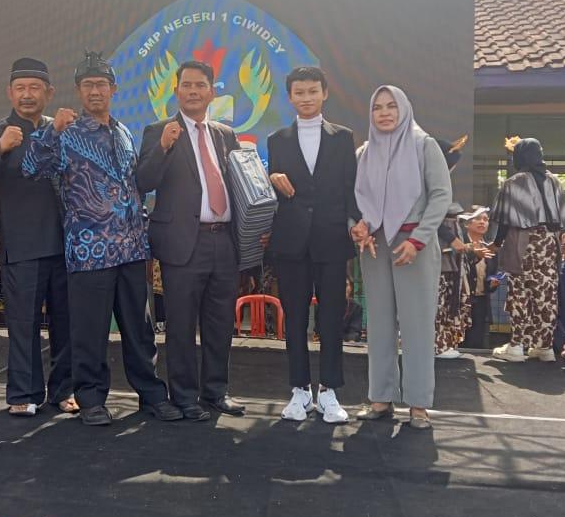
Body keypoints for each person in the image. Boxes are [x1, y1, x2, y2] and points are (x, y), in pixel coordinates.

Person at [23, 52, 182, 426]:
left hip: (131, 248)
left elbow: (135, 184)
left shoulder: (124, 132)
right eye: (88, 85)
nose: (95, 91)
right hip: (88, 250)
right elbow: (30, 167)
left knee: (140, 331)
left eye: (101, 85)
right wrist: (51, 131)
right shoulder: (67, 133)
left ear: (114, 89)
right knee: (89, 332)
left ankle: (151, 395)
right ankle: (91, 398)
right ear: (78, 90)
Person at [136, 59, 245, 420]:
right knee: (181, 325)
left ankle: (216, 391)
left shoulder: (225, 134)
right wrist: (163, 148)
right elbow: (143, 181)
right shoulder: (159, 131)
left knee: (220, 323)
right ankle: (184, 396)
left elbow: (239, 184)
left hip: (223, 241)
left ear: (212, 92)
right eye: (187, 85)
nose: (193, 91)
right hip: (183, 243)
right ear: (176, 91)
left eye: (200, 85)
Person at [0, 57, 76, 417]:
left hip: (66, 244)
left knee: (66, 323)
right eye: (20, 88)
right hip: (23, 244)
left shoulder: (60, 128)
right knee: (23, 323)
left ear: (49, 93)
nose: (27, 95)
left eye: (34, 88)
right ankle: (23, 393)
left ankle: (64, 390)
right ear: (9, 93)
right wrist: (1, 149)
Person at [351, 85, 452, 430]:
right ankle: (380, 398)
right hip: (375, 247)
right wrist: (357, 228)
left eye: (391, 106)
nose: (384, 113)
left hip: (413, 246)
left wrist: (418, 240)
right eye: (377, 107)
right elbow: (354, 201)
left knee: (416, 325)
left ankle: (419, 404)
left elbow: (441, 196)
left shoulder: (424, 146)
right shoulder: (364, 153)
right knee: (379, 323)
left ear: (404, 109)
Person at [266, 66, 359, 423]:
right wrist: (271, 178)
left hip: (332, 239)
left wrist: (356, 223)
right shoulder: (277, 140)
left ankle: (330, 390)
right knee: (294, 318)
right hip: (291, 241)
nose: (306, 98)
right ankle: (299, 390)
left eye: (312, 91)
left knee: (332, 317)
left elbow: (350, 187)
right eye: (299, 92)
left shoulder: (342, 137)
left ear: (324, 93)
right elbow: (274, 190)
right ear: (290, 97)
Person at [490, 137, 565, 363]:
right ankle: (544, 347)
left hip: (523, 242)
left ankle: (516, 346)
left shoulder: (514, 183)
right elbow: (564, 219)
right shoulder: (555, 181)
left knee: (520, 293)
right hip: (550, 243)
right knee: (546, 294)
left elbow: (505, 221)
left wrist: (496, 244)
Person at [459, 206, 500, 349]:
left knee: (476, 343)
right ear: (467, 223)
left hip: (481, 300)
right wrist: (473, 254)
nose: (482, 222)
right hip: (461, 301)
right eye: (478, 218)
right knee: (458, 341)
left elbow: (493, 272)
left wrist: (493, 282)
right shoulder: (459, 243)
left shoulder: (490, 247)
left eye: (486, 219)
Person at [434, 203, 469, 359]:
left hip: (447, 261)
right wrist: (452, 239)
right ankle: (437, 345)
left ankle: (441, 343)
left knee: (444, 304)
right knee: (438, 305)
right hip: (439, 260)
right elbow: (432, 220)